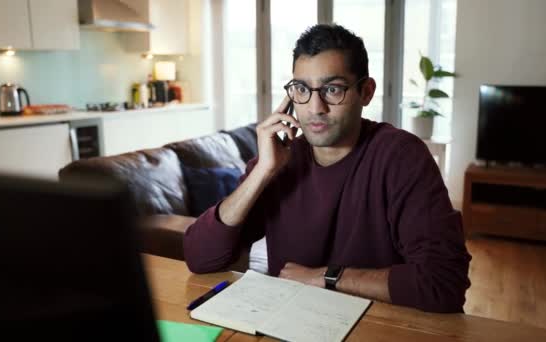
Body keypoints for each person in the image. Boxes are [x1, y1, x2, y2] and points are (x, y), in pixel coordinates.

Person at [184, 24, 471, 313]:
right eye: (302, 89)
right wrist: (261, 173)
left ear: (366, 92)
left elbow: (445, 281)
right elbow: (199, 258)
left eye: (333, 89)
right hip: (290, 321)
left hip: (379, 326)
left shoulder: (401, 157)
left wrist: (327, 276)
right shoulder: (279, 161)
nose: (315, 107)